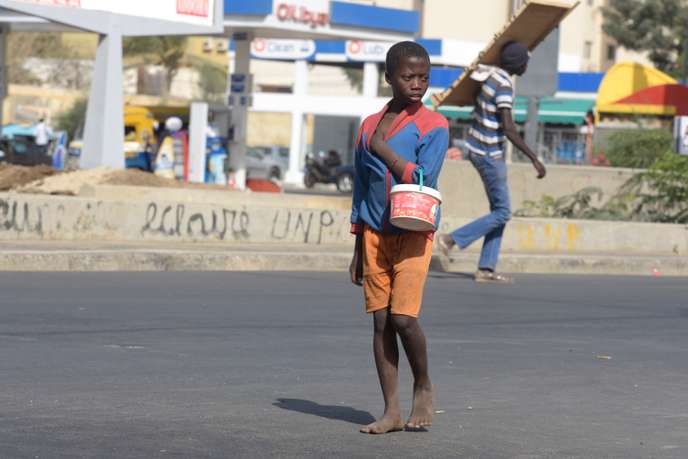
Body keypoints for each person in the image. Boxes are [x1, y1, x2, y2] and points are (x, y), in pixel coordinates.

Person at [349, 41, 449, 434]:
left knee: (404, 318)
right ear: (389, 76)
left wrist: (386, 152)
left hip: (414, 231)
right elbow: (360, 187)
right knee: (380, 323)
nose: (417, 84)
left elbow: (425, 177)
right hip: (374, 234)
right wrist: (357, 245)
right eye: (408, 76)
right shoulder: (369, 125)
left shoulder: (434, 124)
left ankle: (422, 383)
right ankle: (390, 411)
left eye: (423, 77)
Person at [437, 41, 546, 284]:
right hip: (489, 154)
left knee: (499, 212)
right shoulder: (504, 85)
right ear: (518, 64)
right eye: (526, 61)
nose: (527, 65)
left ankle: (486, 268)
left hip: (476, 148)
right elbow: (509, 128)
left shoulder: (488, 75)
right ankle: (451, 239)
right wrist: (534, 159)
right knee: (504, 211)